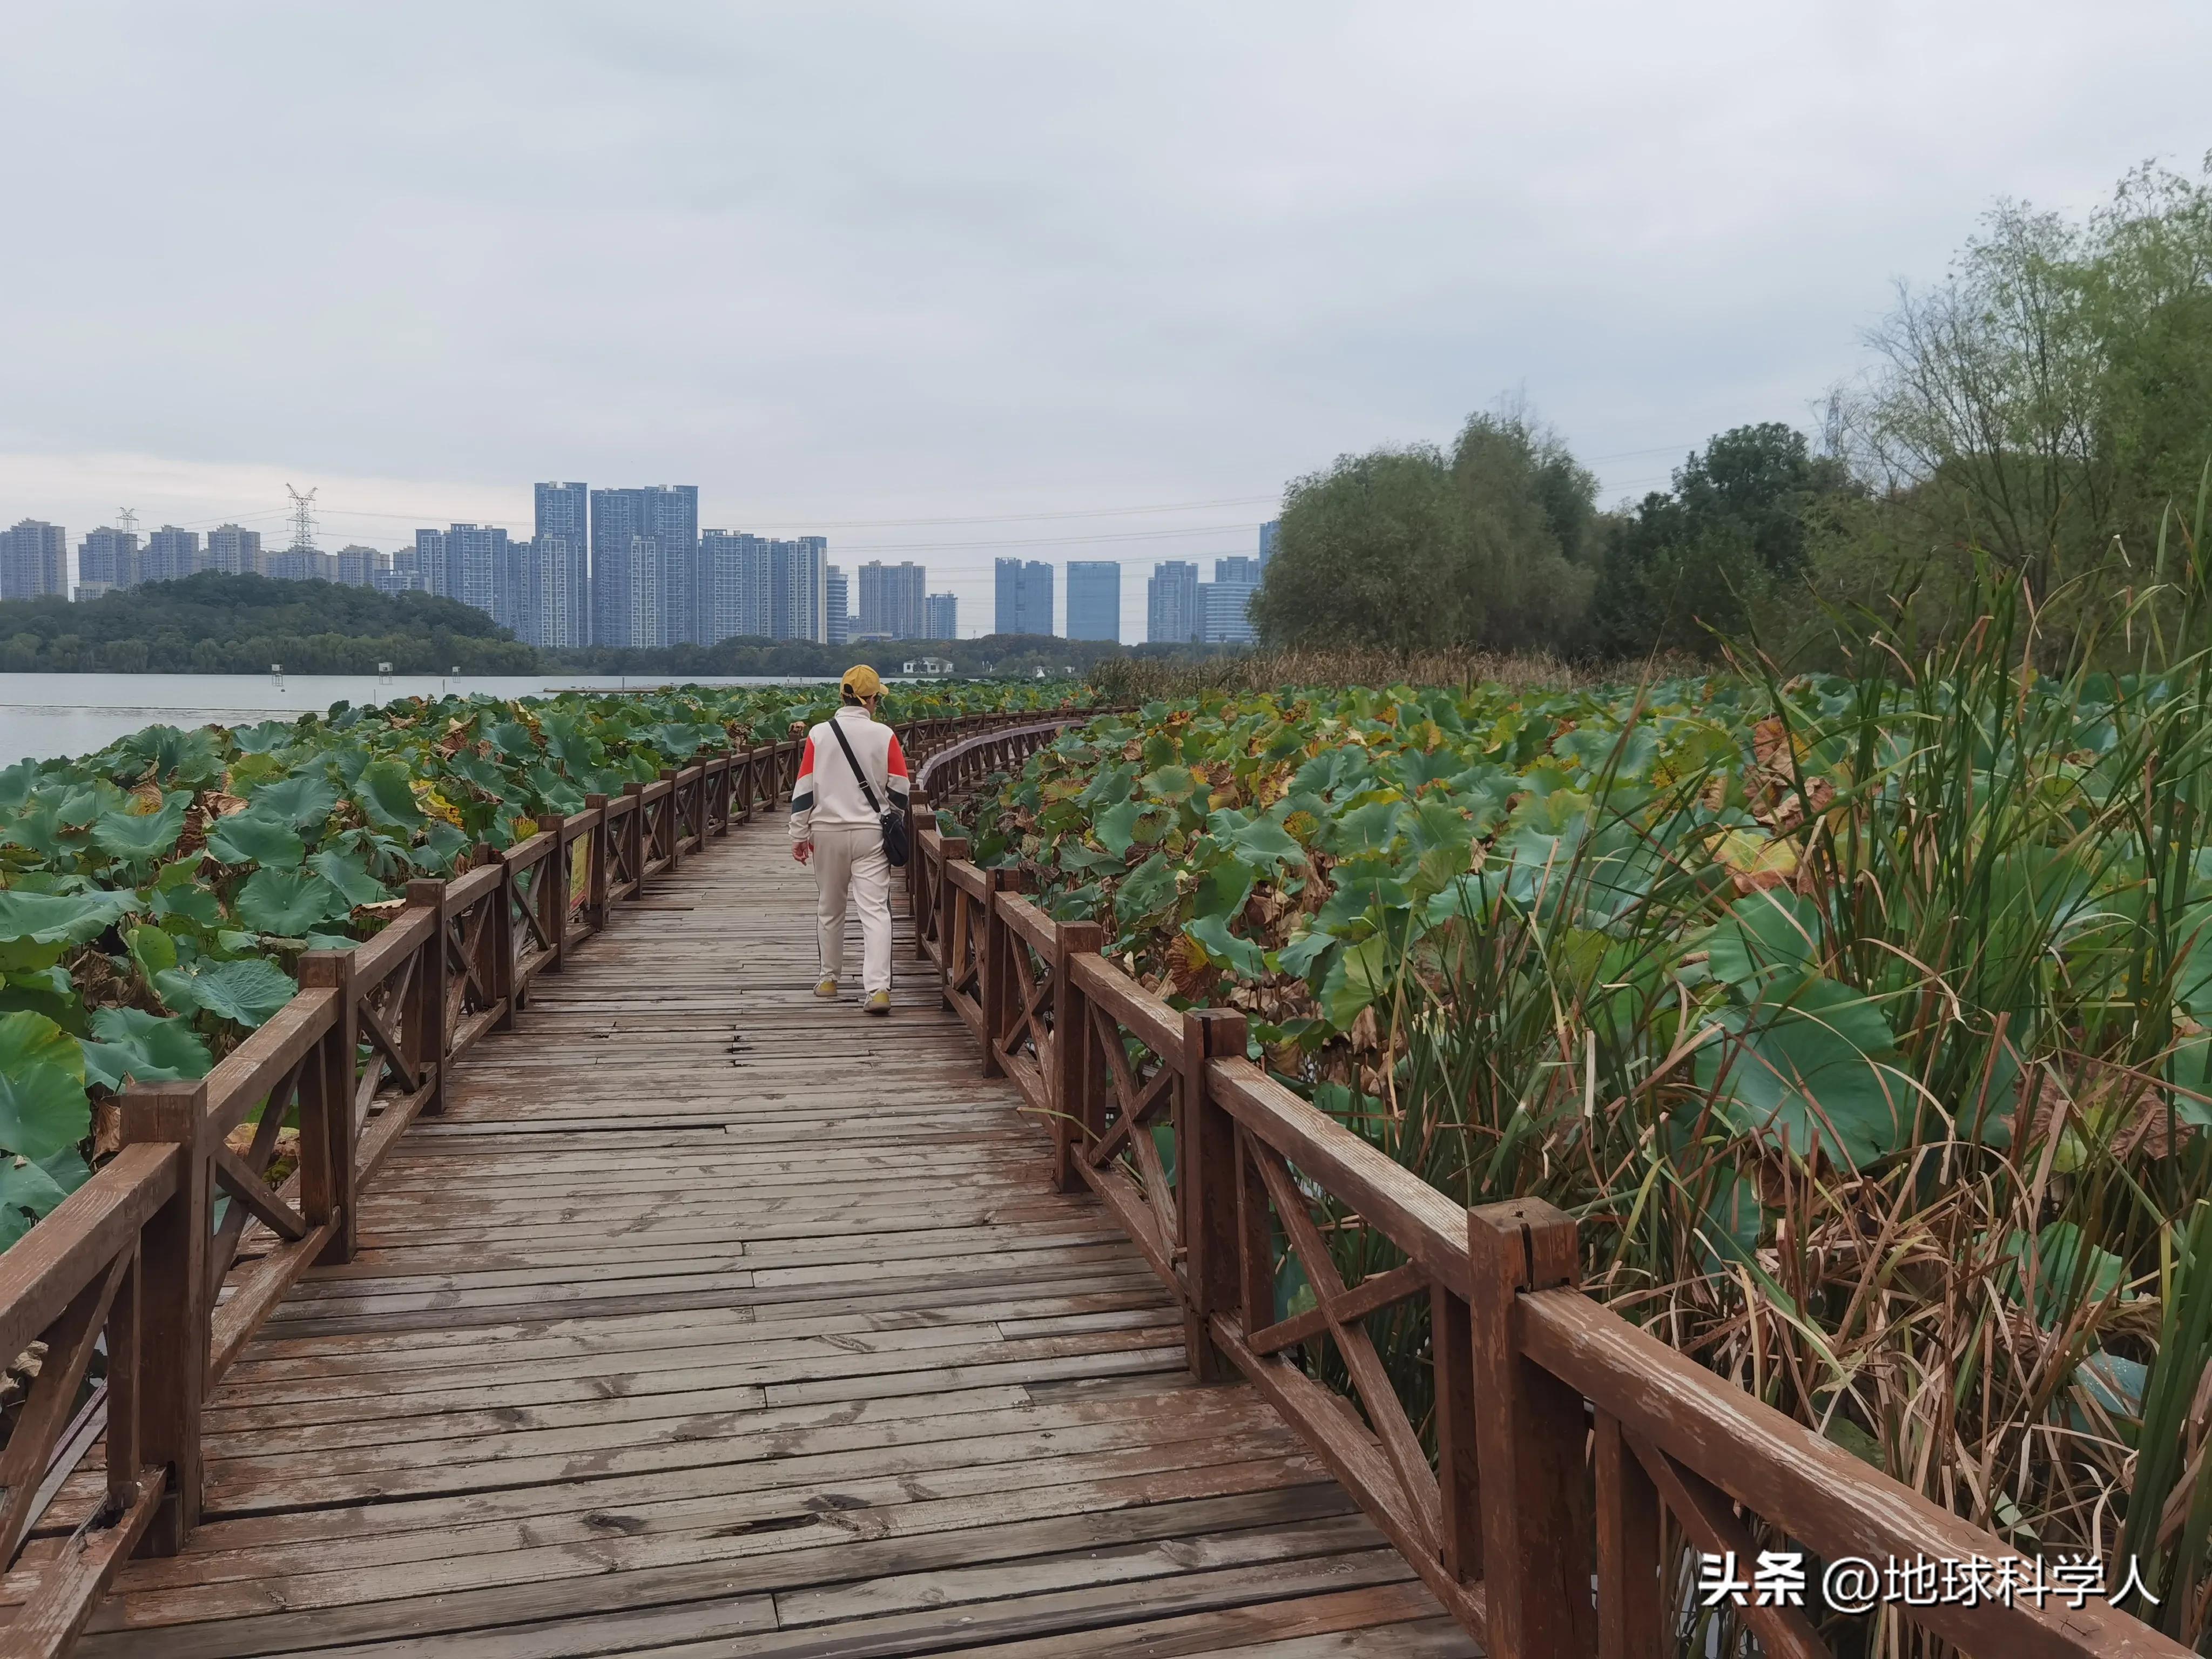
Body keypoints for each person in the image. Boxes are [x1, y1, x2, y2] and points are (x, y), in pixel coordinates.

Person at [789, 664, 909, 1015]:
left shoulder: (819, 734)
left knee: (830, 907)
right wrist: (892, 819)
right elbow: (901, 788)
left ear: (842, 695)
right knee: (875, 911)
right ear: (871, 700)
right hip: (871, 832)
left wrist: (799, 835)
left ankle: (828, 978)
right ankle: (878, 989)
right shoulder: (884, 735)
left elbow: (804, 790)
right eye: (877, 699)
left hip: (826, 831)